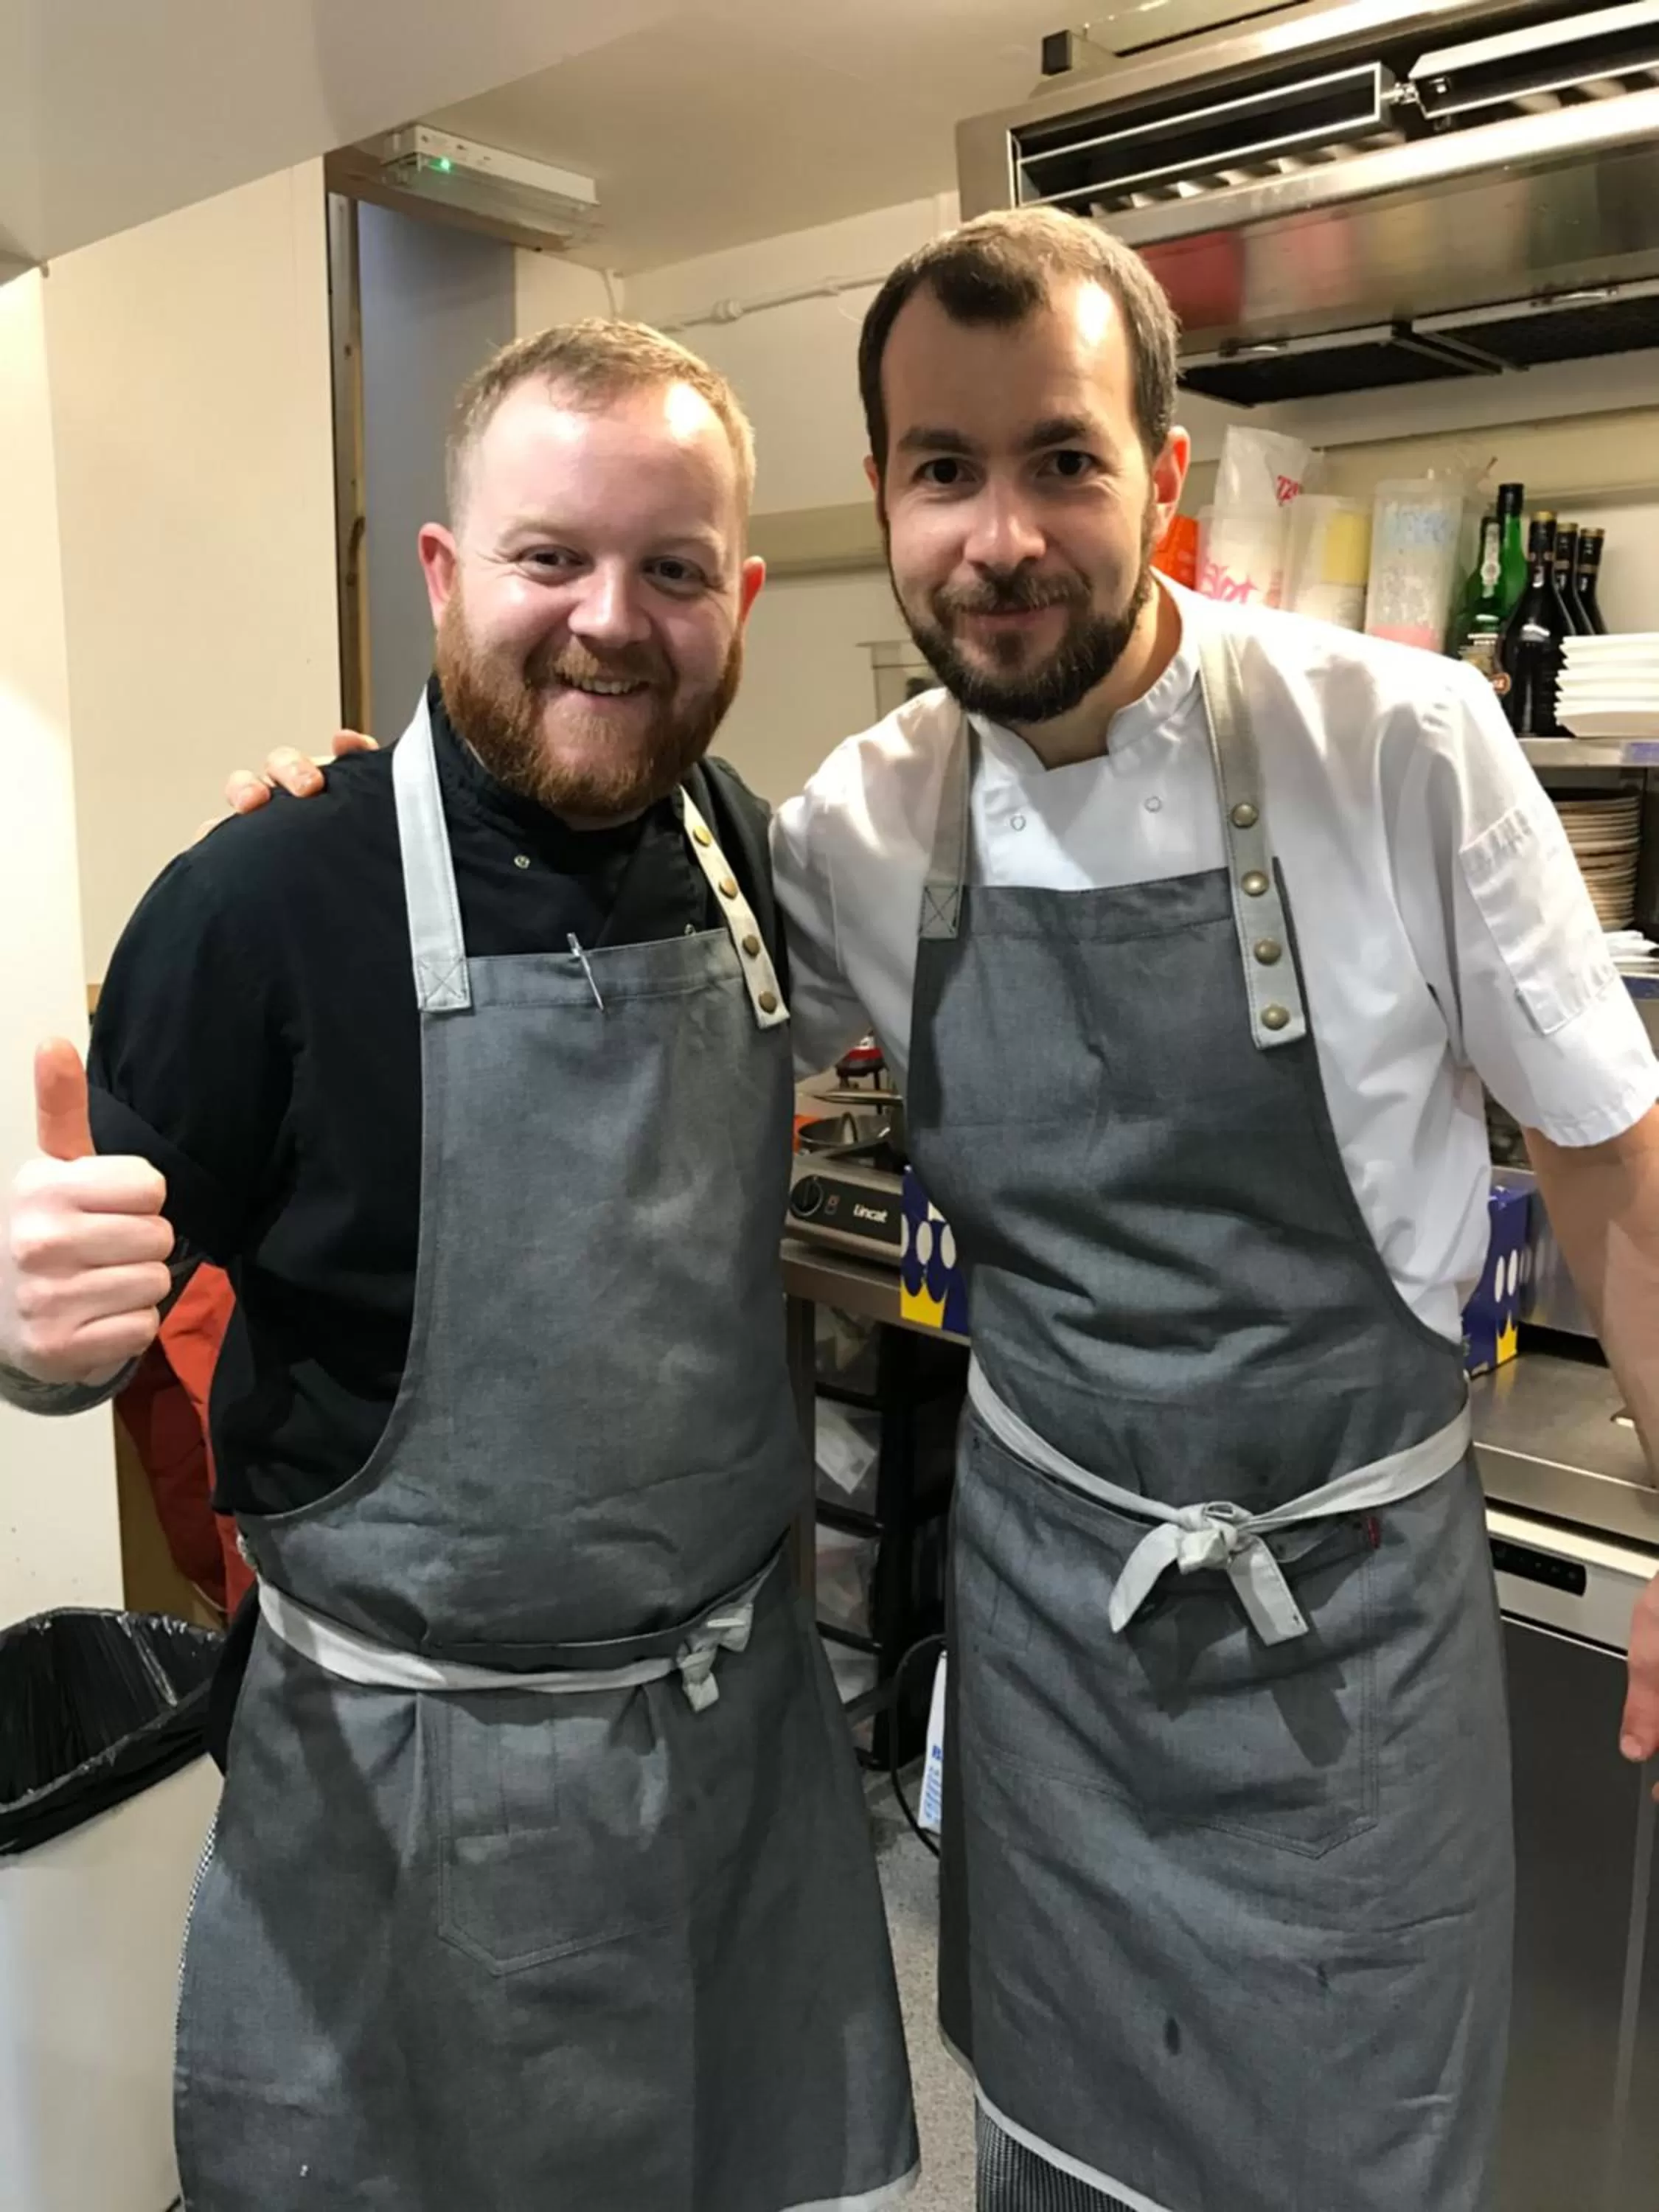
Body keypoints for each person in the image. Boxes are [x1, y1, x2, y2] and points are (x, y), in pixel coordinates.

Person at [217, 219, 1659, 2211]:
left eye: (1060, 461)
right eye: (940, 471)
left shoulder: (1400, 747)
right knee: (1053, 2153)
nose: (1001, 535)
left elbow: (1609, 1163)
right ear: (887, 497)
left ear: (1158, 480)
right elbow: (617, 940)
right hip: (1054, 1636)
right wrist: (372, 816)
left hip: (1347, 1645)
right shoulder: (865, 824)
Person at [0, 322, 917, 2212]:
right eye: (546, 559)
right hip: (410, 1789)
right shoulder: (261, 901)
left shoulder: (745, 855)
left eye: (671, 571)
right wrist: (27, 1338)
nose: (608, 620)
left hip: (730, 1746)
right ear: (441, 573)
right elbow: (75, 1318)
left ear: (736, 600)